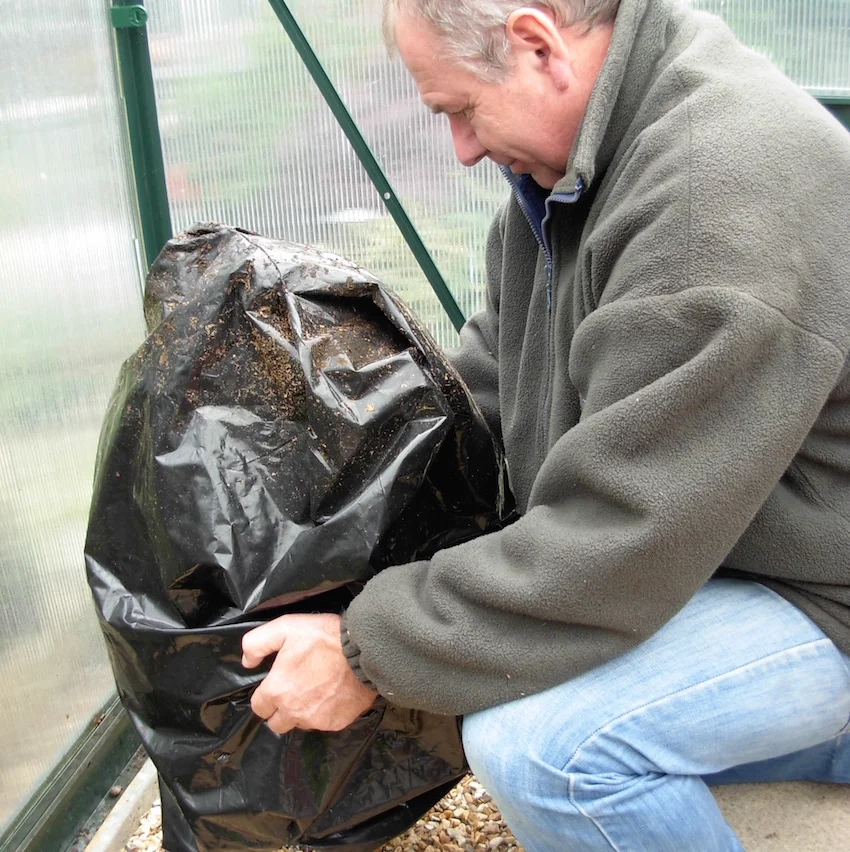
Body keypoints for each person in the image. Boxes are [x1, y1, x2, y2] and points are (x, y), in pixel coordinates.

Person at [241, 1, 850, 848]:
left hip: (826, 589)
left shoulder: (716, 196)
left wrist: (365, 649)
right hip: (747, 546)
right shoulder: (584, 166)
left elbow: (625, 533)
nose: (460, 147)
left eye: (458, 109)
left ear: (536, 44)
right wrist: (342, 535)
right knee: (504, 665)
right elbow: (488, 390)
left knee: (545, 751)